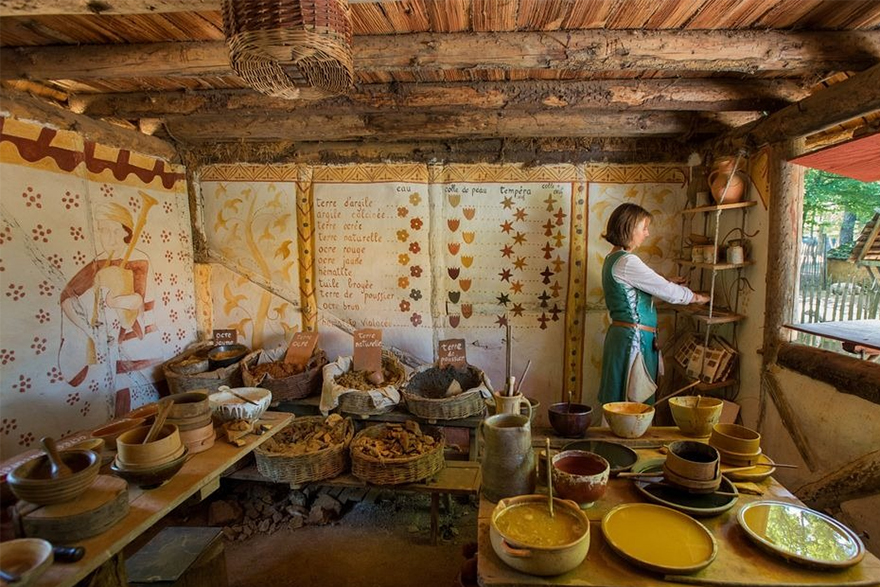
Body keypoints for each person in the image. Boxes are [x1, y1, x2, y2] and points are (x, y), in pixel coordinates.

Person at [598, 203, 709, 405]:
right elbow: (669, 293)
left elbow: (638, 288)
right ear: (629, 228)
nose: (647, 233)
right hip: (633, 341)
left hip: (624, 337)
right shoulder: (627, 261)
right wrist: (696, 297)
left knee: (621, 402)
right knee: (631, 404)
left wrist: (666, 281)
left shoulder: (612, 259)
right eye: (644, 227)